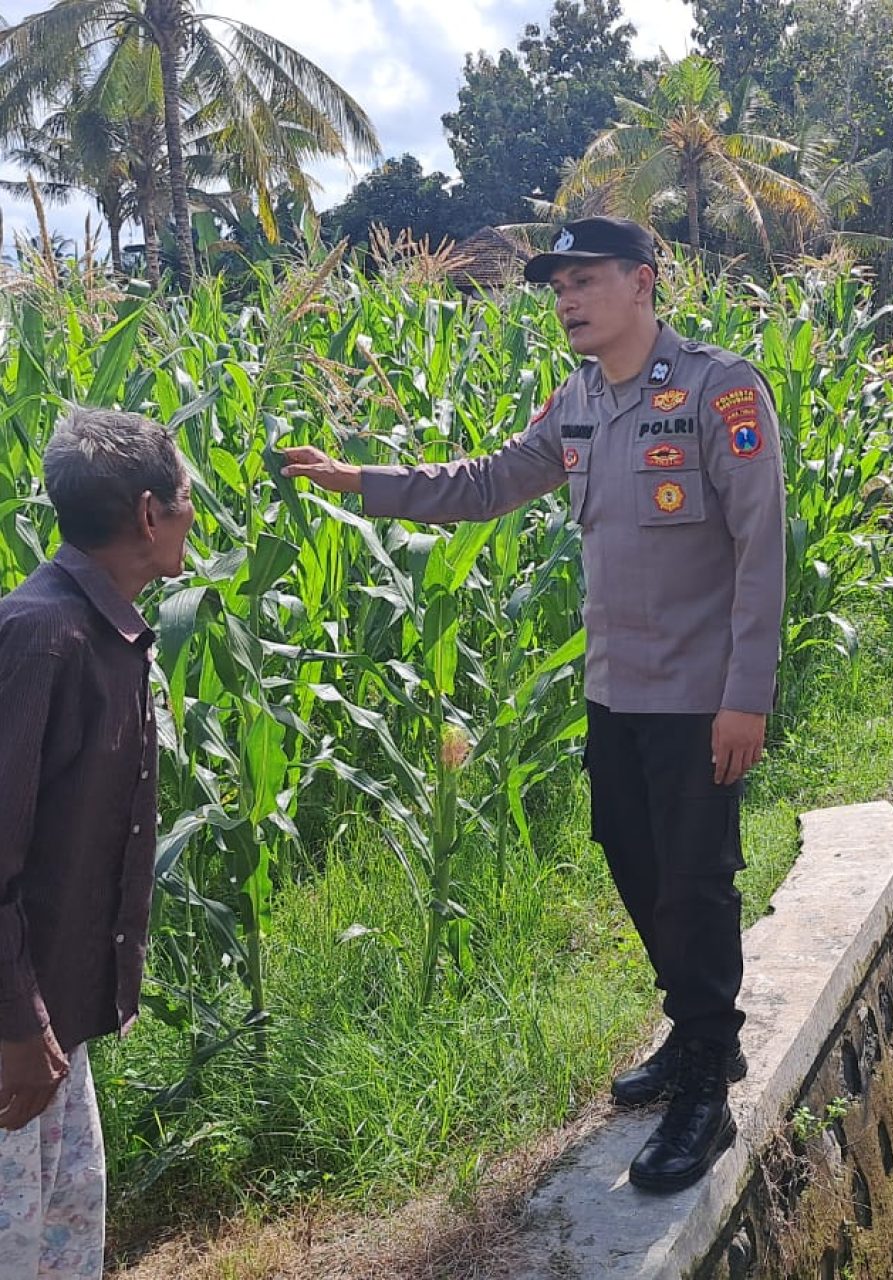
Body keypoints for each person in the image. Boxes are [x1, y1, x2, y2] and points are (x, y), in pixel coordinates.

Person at [281, 216, 786, 1194]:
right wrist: (358, 482)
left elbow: (761, 550)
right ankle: (695, 1030)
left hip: (695, 699)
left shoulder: (717, 389)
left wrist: (744, 698)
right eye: (555, 284)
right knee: (632, 859)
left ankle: (704, 1090)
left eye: (583, 279)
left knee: (695, 879)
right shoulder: (579, 402)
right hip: (613, 691)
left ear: (642, 283)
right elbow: (485, 482)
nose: (564, 298)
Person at [0, 409, 194, 1277]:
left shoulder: (104, 629)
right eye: (188, 500)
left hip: (49, 1021)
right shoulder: (43, 636)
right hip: (14, 1027)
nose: (196, 517)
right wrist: (12, 1025)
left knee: (61, 1241)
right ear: (149, 514)